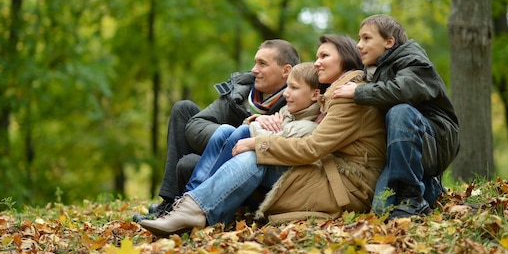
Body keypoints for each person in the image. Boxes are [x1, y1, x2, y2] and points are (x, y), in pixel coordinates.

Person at [139, 35, 387, 236]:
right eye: (317, 56)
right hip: (326, 170)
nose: (317, 62)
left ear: (344, 61)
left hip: (343, 183)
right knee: (242, 149)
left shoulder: (347, 96)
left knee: (254, 155)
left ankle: (193, 211)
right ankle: (194, 211)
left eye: (324, 56)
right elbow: (197, 125)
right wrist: (255, 123)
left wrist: (257, 142)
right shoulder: (332, 94)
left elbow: (313, 147)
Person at [133, 39, 300, 222]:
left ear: (286, 71)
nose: (254, 69)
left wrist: (249, 135)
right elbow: (195, 125)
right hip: (218, 159)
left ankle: (184, 207)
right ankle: (170, 203)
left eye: (262, 64)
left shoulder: (299, 99)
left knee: (188, 164)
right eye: (255, 62)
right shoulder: (240, 92)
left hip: (254, 176)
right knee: (183, 109)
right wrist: (239, 131)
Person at [332, 14, 460, 220]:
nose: (358, 45)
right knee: (382, 209)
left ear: (389, 42)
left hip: (435, 141)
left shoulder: (414, 61)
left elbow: (403, 91)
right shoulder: (373, 70)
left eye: (366, 38)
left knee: (400, 110)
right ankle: (428, 188)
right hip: (399, 147)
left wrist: (358, 92)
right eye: (358, 38)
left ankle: (412, 199)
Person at [183, 62, 323, 195]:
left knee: (243, 134)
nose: (286, 93)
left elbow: (273, 142)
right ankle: (192, 194)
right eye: (287, 87)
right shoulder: (288, 111)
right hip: (261, 165)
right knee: (224, 130)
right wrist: (257, 119)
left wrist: (254, 125)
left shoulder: (307, 126)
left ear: (315, 94)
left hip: (276, 179)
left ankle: (196, 195)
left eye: (294, 88)